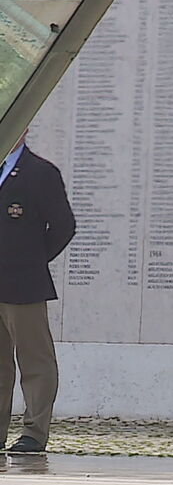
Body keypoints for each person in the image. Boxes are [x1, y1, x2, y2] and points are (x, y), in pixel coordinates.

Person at [0, 130, 76, 453]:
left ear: (26, 129)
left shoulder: (40, 173)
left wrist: (32, 260)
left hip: (24, 286)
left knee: (35, 361)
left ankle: (34, 432)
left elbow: (64, 226)